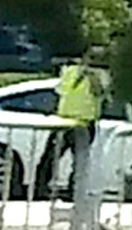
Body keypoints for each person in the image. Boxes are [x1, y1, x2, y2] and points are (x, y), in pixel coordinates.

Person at [39, 54, 107, 201]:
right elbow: (61, 91)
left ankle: (74, 191)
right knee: (51, 156)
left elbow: (100, 92)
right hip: (65, 121)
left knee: (80, 161)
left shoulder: (101, 75)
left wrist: (91, 77)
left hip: (85, 122)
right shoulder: (70, 71)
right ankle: (40, 188)